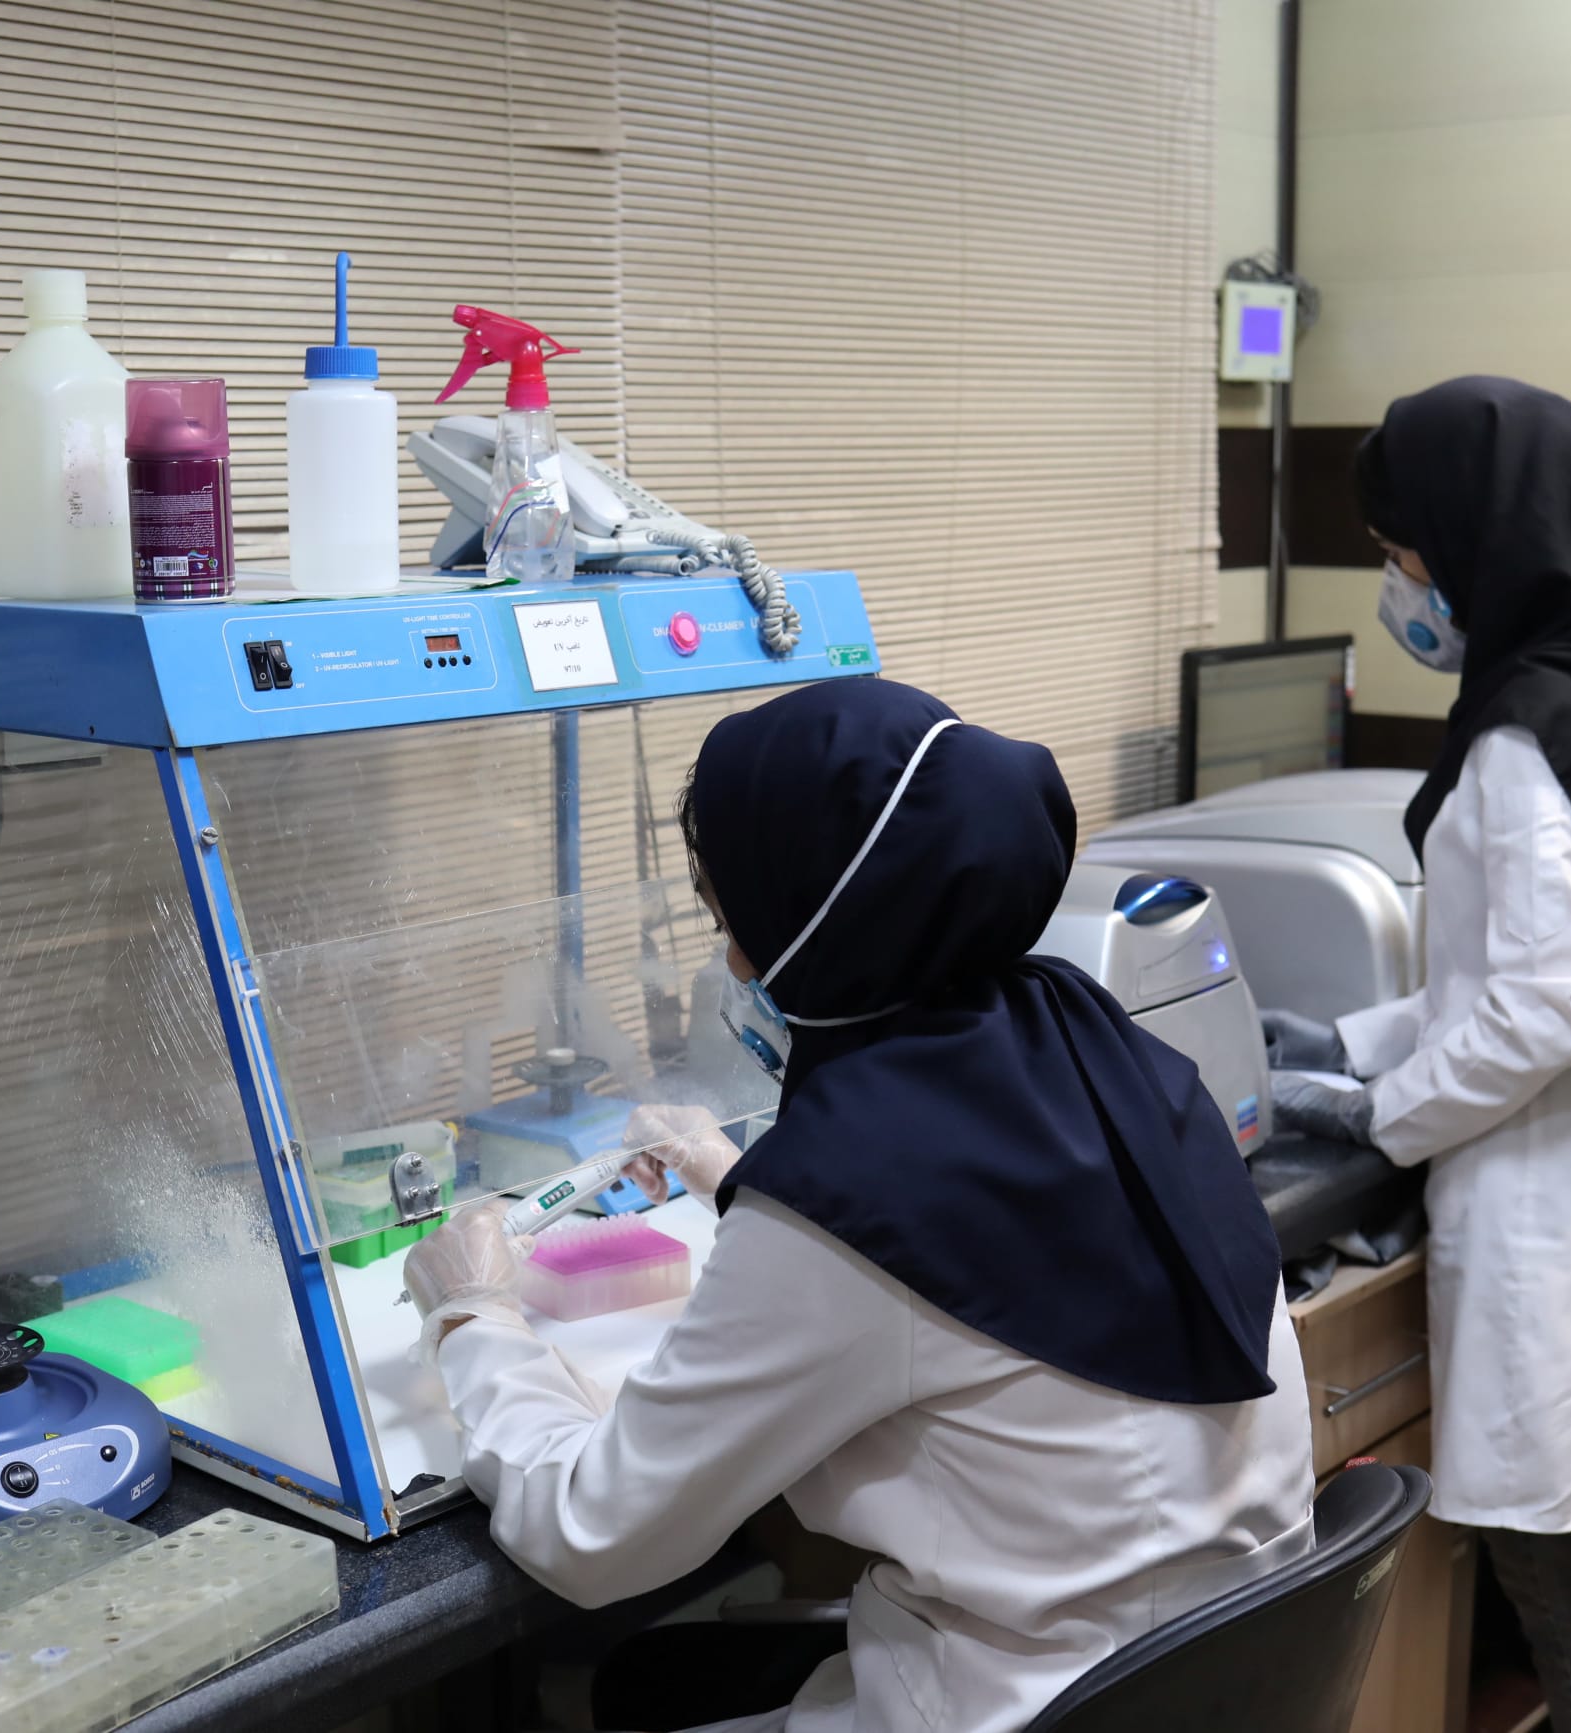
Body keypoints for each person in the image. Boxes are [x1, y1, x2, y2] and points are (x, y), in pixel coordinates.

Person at [403, 677, 1316, 1733]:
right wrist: (724, 1166)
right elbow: (979, 1250)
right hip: (1188, 1681)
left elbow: (592, 1532)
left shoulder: (849, 1204)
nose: (729, 962)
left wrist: (474, 1315)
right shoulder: (1102, 1049)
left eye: (726, 918)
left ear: (815, 922)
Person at [1267, 376, 1571, 1733]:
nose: (1397, 582)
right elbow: (1535, 971)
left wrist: (1375, 1115)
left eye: (1399, 548)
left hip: (1564, 1220)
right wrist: (1352, 1042)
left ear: (1478, 536)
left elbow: (1537, 1012)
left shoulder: (1531, 735)